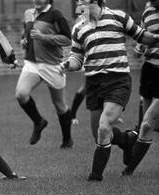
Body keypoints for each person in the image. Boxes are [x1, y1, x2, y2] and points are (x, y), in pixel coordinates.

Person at [61, 0, 159, 181]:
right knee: (97, 132)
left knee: (104, 126)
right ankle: (127, 141)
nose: (79, 4)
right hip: (93, 83)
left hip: (118, 80)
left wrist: (154, 38)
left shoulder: (118, 17)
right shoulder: (79, 27)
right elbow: (77, 57)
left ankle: (95, 177)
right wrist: (69, 64)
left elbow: (142, 36)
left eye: (82, 1)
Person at [15, 0, 73, 148]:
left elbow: (67, 39)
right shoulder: (28, 13)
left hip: (52, 65)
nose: (36, 1)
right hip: (32, 63)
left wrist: (44, 37)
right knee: (21, 94)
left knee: (59, 105)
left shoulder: (55, 14)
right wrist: (24, 40)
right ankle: (38, 122)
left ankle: (67, 140)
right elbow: (26, 34)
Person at [122, 0, 159, 175]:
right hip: (149, 70)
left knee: (146, 124)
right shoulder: (148, 12)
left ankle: (129, 170)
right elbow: (143, 37)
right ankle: (130, 144)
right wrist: (139, 48)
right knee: (149, 122)